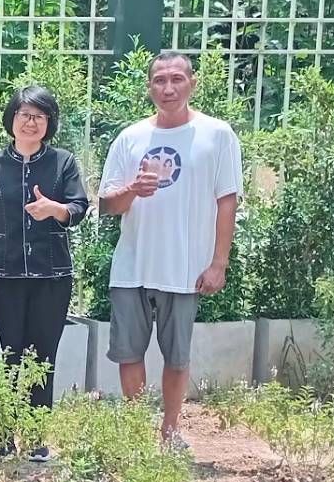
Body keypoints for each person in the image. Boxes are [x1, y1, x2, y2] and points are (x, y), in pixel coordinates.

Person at [98, 51, 242, 453]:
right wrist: (132, 191)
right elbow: (107, 204)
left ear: (192, 84)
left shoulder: (217, 135)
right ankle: (135, 433)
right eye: (159, 80)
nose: (168, 88)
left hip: (185, 268)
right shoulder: (130, 138)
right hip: (133, 266)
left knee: (177, 357)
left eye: (177, 79)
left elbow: (227, 202)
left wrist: (218, 263)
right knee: (128, 353)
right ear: (149, 88)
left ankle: (171, 431)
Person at [0, 86, 89, 461]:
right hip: (3, 275)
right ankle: (3, 435)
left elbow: (78, 207)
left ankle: (38, 436)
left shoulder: (63, 163)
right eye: (24, 114)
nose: (30, 122)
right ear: (11, 119)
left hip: (51, 275)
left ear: (49, 123)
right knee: (6, 355)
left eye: (39, 116)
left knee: (43, 355)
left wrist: (54, 209)